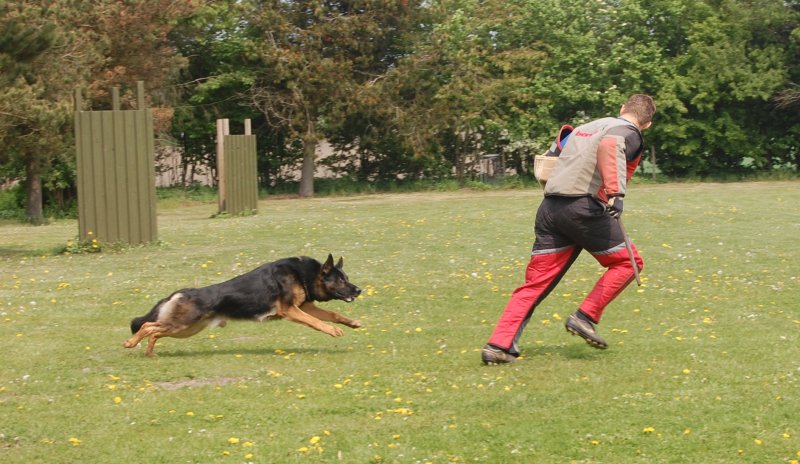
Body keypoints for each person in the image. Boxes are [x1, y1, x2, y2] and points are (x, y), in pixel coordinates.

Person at [481, 94, 656, 364]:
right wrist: (616, 194)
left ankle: (497, 345)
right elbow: (610, 146)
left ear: (622, 108)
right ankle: (585, 317)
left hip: (551, 209)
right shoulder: (628, 132)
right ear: (647, 124)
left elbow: (552, 155)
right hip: (584, 209)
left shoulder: (585, 128)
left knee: (535, 283)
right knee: (628, 263)